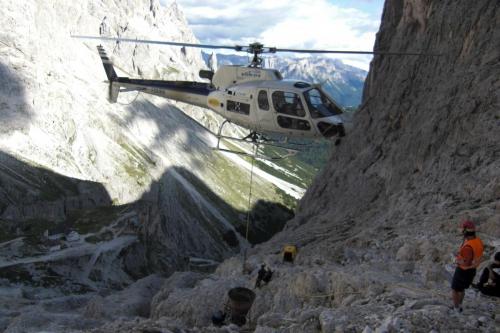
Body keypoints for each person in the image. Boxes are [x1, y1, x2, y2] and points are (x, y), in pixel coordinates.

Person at [451, 220, 484, 313]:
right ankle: (460, 304)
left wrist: (455, 260)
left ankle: (456, 308)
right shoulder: (478, 241)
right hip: (472, 270)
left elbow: (466, 263)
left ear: (465, 231)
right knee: (462, 289)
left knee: (455, 290)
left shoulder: (468, 246)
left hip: (463, 271)